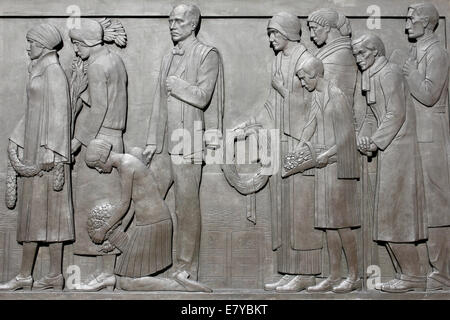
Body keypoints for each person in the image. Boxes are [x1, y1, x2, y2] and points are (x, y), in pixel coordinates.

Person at [143, 4, 223, 288]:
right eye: (170, 20)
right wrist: (152, 140)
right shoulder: (168, 56)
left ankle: (185, 269)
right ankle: (146, 261)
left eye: (178, 21)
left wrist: (177, 85)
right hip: (165, 144)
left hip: (188, 141)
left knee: (186, 208)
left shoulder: (207, 54)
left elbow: (203, 97)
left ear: (192, 25)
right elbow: (157, 100)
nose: (172, 25)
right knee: (148, 197)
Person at [253, 12, 324, 293]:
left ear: (289, 33)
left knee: (301, 211)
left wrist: (283, 90)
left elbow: (312, 105)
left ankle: (306, 273)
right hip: (280, 141)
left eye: (275, 33)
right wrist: (255, 126)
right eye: (270, 33)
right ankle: (288, 270)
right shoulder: (279, 60)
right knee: (283, 210)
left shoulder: (307, 60)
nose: (271, 39)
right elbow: (271, 105)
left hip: (300, 143)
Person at [0, 24, 73, 291]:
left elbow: (60, 115)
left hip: (47, 158)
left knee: (53, 215)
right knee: (32, 214)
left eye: (30, 42)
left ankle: (53, 275)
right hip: (32, 150)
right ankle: (25, 275)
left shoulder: (53, 72)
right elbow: (31, 110)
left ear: (42, 45)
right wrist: (16, 139)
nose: (27, 46)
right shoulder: (39, 70)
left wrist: (52, 152)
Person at [352, 34, 428, 292]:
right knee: (388, 215)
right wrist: (365, 136)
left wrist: (374, 141)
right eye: (356, 56)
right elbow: (375, 115)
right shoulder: (374, 74)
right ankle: (406, 274)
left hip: (400, 153)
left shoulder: (388, 74)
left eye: (362, 54)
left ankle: (414, 275)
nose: (359, 60)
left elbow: (396, 113)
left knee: (396, 214)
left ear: (374, 52)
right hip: (389, 151)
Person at [83, 139, 210, 292]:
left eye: (97, 165)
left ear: (103, 158)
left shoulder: (126, 165)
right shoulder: (126, 163)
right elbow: (132, 205)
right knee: (125, 281)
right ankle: (111, 280)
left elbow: (124, 204)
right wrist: (118, 231)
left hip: (153, 224)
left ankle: (180, 285)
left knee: (127, 283)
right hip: (150, 223)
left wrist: (104, 229)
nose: (98, 170)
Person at [69, 18, 128, 291]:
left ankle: (104, 274)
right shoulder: (114, 60)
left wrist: (77, 141)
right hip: (114, 139)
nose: (76, 50)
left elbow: (99, 109)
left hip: (99, 141)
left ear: (87, 43)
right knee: (108, 208)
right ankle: (106, 273)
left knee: (97, 210)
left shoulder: (96, 65)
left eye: (76, 45)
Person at [296, 57, 361, 293]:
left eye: (304, 79)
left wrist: (327, 155)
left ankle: (354, 276)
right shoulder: (317, 96)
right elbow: (311, 123)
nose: (303, 83)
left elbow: (347, 137)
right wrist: (302, 143)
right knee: (328, 225)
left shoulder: (337, 96)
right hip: (323, 168)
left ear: (315, 75)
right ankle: (334, 276)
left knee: (342, 225)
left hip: (338, 169)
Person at [403, 3, 450, 291]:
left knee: (437, 205)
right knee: (420, 204)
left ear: (428, 23)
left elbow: (430, 94)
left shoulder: (437, 52)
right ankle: (423, 270)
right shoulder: (417, 50)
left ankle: (443, 272)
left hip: (432, 136)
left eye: (412, 19)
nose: (407, 23)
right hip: (416, 136)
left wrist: (409, 73)